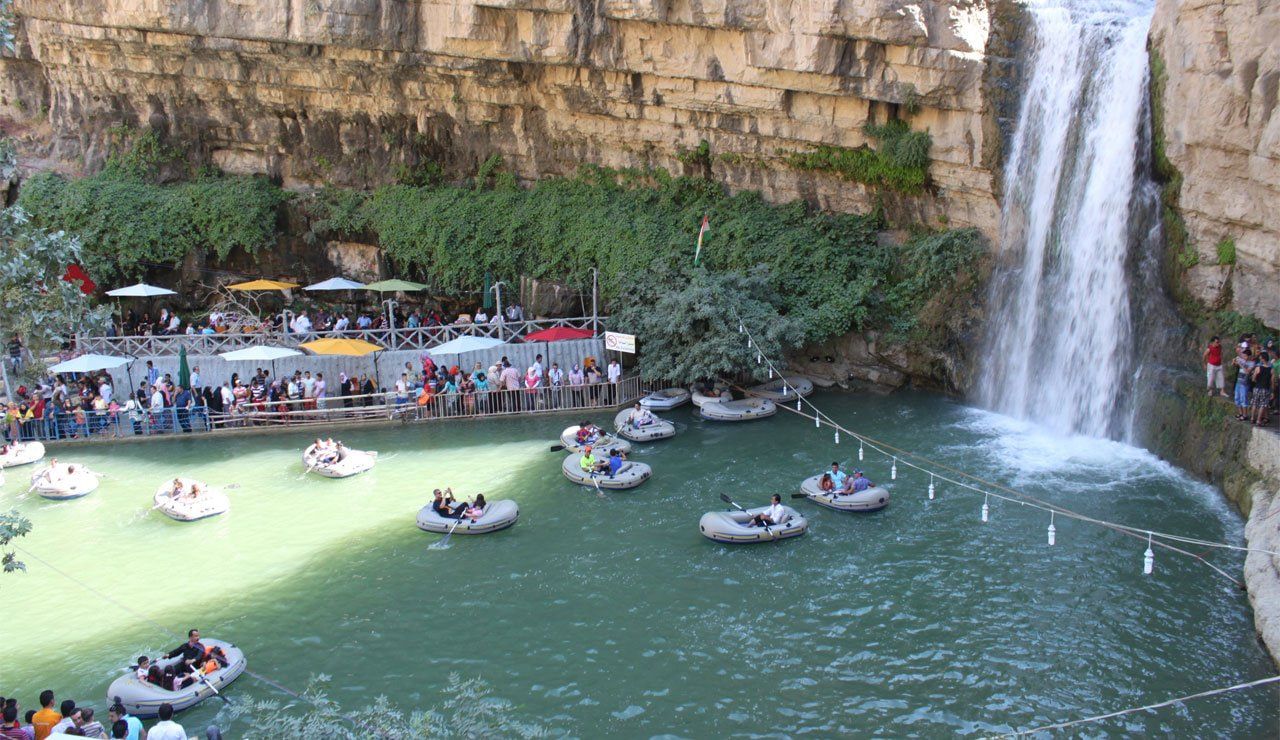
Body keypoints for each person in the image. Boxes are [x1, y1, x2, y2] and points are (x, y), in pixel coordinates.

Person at [1251, 351, 1273, 426]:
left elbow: (1253, 379)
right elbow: (1272, 381)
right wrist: (1272, 391)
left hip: (1257, 387)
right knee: (1262, 405)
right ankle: (1258, 420)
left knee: (1254, 403)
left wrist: (1256, 380)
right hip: (1265, 389)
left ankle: (1252, 418)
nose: (1260, 359)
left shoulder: (1258, 368)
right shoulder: (1271, 369)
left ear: (1263, 359)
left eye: (1260, 358)